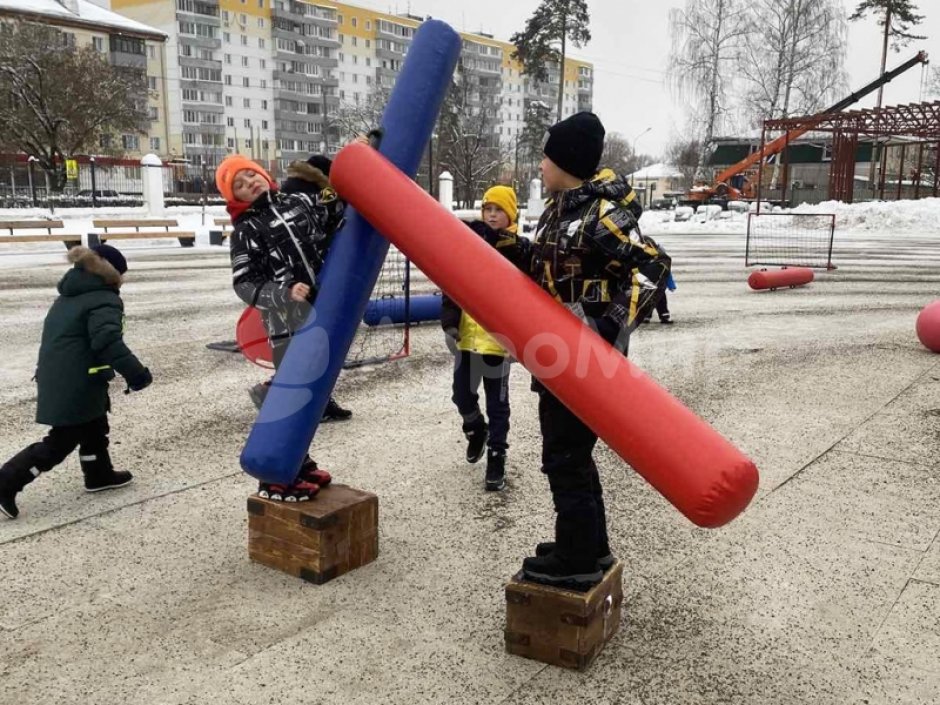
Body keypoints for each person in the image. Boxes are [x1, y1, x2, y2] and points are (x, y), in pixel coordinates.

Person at [522, 112, 671, 589]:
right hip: (554, 357)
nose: (540, 165)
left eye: (546, 157)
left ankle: (577, 557)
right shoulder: (558, 210)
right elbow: (547, 269)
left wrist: (603, 329)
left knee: (564, 457)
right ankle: (589, 543)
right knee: (572, 455)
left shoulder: (600, 216)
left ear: (565, 162)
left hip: (582, 363)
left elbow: (654, 269)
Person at [218, 154, 341, 501]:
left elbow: (329, 224)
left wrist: (334, 197)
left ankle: (298, 463)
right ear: (234, 198)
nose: (249, 185)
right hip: (287, 327)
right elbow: (245, 283)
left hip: (324, 314)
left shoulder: (297, 202)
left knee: (314, 397)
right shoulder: (245, 231)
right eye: (238, 185)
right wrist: (283, 294)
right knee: (292, 399)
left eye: (250, 176)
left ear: (264, 175)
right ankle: (274, 477)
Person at [0, 245, 153, 519]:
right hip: (76, 379)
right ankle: (6, 482)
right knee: (63, 439)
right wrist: (137, 373)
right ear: (113, 273)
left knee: (94, 425)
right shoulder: (103, 298)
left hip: (64, 374)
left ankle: (98, 474)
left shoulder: (72, 293)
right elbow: (107, 341)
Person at [245, 153, 353, 422]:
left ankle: (320, 402)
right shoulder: (305, 196)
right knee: (302, 353)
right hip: (292, 292)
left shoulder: (295, 191)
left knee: (310, 350)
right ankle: (271, 393)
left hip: (294, 288)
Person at [441, 185, 528, 492]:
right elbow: (453, 286)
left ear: (511, 215)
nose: (491, 216)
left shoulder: (519, 250)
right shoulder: (471, 244)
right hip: (468, 339)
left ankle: (497, 455)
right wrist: (451, 324)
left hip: (499, 345)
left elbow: (527, 300)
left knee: (498, 403)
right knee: (461, 395)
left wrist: (520, 339)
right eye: (487, 210)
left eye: (498, 210)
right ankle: (476, 429)